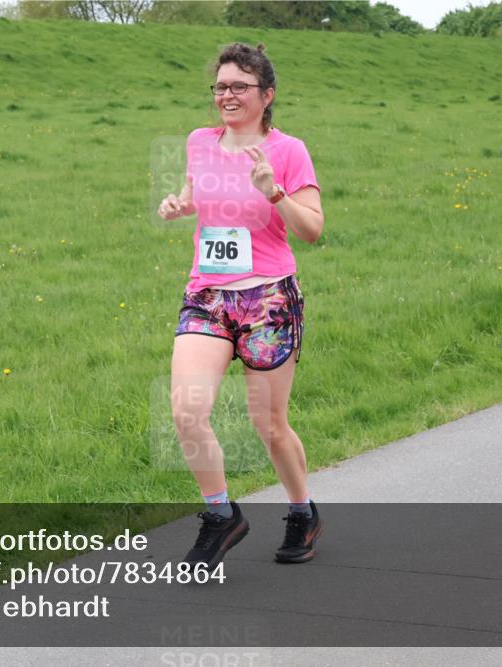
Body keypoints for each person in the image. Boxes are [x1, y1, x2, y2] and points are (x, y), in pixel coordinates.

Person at [156, 42, 325, 570]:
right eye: (221, 86)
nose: (227, 95)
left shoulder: (289, 150)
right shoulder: (199, 142)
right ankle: (220, 515)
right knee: (186, 410)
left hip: (269, 298)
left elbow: (312, 230)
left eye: (239, 87)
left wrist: (274, 192)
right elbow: (195, 195)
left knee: (269, 425)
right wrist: (179, 204)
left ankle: (302, 511)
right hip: (207, 295)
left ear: (266, 95)